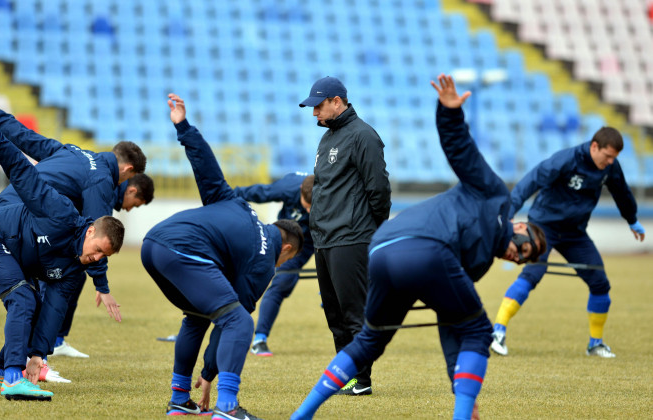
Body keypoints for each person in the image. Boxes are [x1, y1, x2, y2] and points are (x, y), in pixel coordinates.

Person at [290, 74, 546, 420]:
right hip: (391, 243)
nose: (519, 256)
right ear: (520, 226)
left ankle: (308, 410)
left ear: (337, 101)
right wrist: (451, 114)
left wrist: (373, 229)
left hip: (376, 243)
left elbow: (449, 320)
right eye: (526, 248)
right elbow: (462, 153)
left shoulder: (480, 262)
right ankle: (463, 409)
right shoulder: (496, 197)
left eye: (523, 261)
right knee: (476, 329)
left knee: (369, 336)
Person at [141, 93, 303, 419]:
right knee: (240, 321)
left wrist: (183, 126)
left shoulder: (238, 205)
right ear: (285, 248)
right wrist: (210, 376)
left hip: (152, 243)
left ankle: (178, 400)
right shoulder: (263, 262)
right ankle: (227, 408)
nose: (282, 264)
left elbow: (207, 168)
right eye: (287, 260)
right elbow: (232, 323)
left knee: (197, 316)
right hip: (184, 250)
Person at [0, 89, 146, 359]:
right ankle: (29, 363)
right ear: (128, 171)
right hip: (23, 219)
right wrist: (102, 285)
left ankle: (15, 364)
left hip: (8, 205)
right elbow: (96, 232)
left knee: (38, 293)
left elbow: (26, 138)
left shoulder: (75, 152)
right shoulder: (102, 182)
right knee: (41, 291)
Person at [0, 116, 124, 401]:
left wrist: (37, 355)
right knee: (23, 298)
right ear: (91, 229)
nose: (95, 258)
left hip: (10, 253)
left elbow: (54, 311)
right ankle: (12, 379)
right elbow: (25, 175)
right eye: (97, 248)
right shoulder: (60, 211)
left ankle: (0, 372)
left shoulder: (74, 269)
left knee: (35, 302)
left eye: (102, 256)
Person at [490, 128, 645, 358]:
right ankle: (497, 333)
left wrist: (632, 219)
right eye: (608, 156)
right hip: (544, 228)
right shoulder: (566, 160)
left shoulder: (609, 167)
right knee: (532, 275)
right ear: (594, 147)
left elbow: (621, 192)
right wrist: (510, 212)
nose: (611, 162)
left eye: (614, 158)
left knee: (600, 283)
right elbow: (530, 181)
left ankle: (595, 344)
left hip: (575, 233)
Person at [299, 76, 392, 395]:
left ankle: (361, 378)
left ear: (337, 102)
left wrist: (371, 229)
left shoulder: (364, 136)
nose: (314, 113)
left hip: (352, 237)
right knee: (334, 314)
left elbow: (378, 188)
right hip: (324, 238)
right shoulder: (327, 139)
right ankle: (345, 372)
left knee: (354, 312)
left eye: (318, 106)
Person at [52, 173, 154, 359]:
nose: (130, 209)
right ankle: (39, 351)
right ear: (132, 190)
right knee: (53, 286)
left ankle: (56, 341)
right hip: (50, 238)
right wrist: (102, 286)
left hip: (62, 239)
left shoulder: (107, 189)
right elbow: (97, 240)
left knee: (76, 277)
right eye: (135, 204)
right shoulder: (103, 190)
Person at [231, 172, 315, 356]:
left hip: (315, 239)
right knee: (270, 278)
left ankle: (259, 339)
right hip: (286, 234)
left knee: (285, 282)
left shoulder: (333, 194)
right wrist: (226, 195)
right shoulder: (287, 187)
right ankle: (255, 337)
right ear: (301, 191)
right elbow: (257, 192)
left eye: (313, 207)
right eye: (306, 206)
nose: (309, 212)